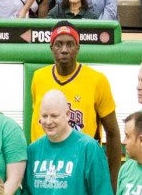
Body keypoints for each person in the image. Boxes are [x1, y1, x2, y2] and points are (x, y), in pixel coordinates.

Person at [29, 23, 122, 185]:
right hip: (45, 171)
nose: (64, 49)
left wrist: (112, 184)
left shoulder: (97, 80)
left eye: (70, 44)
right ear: (51, 48)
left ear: (78, 48)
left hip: (82, 170)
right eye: (59, 44)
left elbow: (113, 134)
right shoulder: (38, 78)